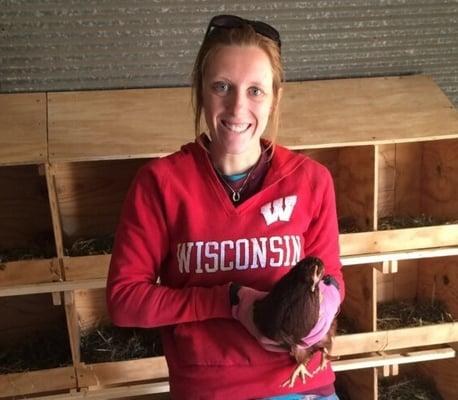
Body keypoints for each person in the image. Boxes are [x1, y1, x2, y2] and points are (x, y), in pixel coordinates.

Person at [106, 14, 344, 400]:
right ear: (201, 91)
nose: (237, 107)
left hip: (300, 384)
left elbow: (330, 276)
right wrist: (230, 301)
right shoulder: (161, 184)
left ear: (275, 98)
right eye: (222, 86)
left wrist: (320, 311)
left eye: (255, 90)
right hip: (210, 389)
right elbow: (125, 301)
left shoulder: (311, 181)